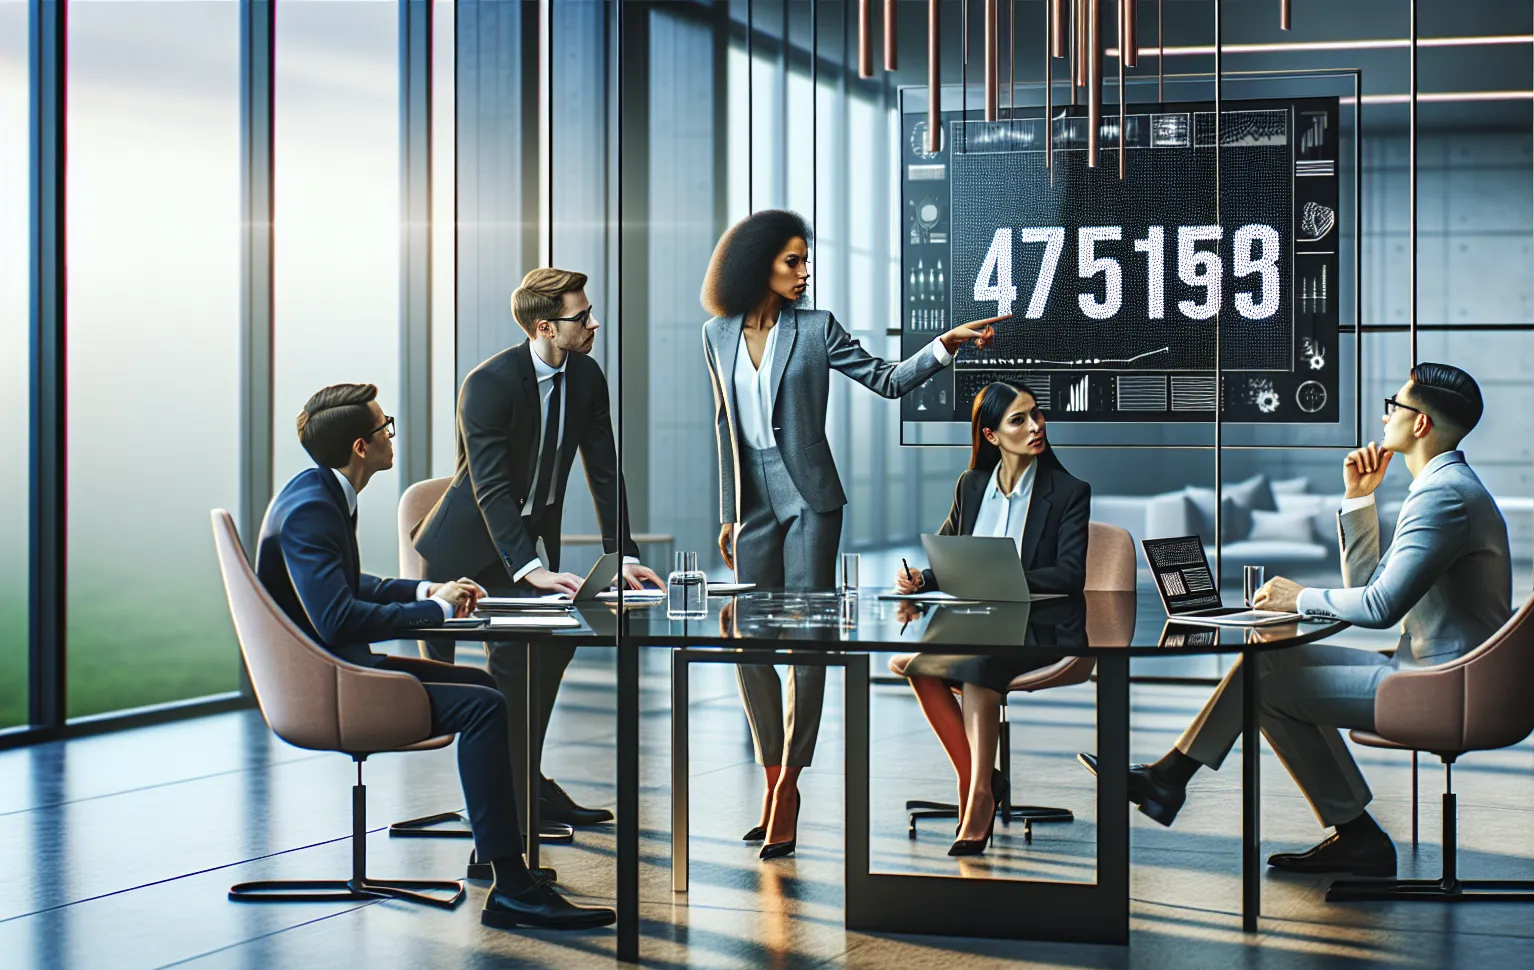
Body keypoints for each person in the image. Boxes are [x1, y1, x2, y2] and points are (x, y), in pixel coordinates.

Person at [1081, 363, 1510, 876]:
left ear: (1420, 424)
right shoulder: (1444, 488)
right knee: (1266, 664)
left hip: (1446, 684)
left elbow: (1378, 608)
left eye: (1393, 406)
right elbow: (1367, 589)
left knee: (1266, 691)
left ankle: (1352, 834)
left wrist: (1298, 597)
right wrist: (1359, 497)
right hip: (1436, 669)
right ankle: (1170, 778)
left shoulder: (1442, 496)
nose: (1385, 416)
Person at [699, 209, 1011, 859]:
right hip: (753, 505)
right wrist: (729, 511)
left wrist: (944, 346)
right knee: (748, 643)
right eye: (792, 261)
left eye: (806, 260)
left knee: (806, 642)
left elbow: (887, 381)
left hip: (811, 502)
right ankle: (772, 775)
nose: (804, 272)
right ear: (756, 264)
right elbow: (724, 426)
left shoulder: (816, 330)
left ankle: (789, 787)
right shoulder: (716, 334)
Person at [257, 383, 614, 929]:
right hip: (329, 687)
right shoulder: (312, 509)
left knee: (484, 688)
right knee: (484, 708)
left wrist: (426, 591)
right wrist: (437, 612)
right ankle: (511, 885)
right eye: (384, 427)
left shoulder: (318, 493)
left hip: (338, 671)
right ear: (360, 447)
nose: (390, 435)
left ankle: (498, 857)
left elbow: (346, 583)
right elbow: (337, 618)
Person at [412, 267, 664, 837]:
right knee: (517, 658)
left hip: (522, 547)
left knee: (555, 645)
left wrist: (621, 555)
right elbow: (492, 488)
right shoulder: (488, 384)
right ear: (545, 326)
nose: (594, 323)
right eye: (582, 316)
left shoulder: (587, 375)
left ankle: (526, 782)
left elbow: (605, 470)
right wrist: (530, 570)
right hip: (467, 554)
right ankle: (504, 825)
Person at [893, 381, 1090, 856]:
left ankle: (980, 796)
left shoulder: (1068, 492)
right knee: (919, 667)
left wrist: (1003, 575)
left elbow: (1070, 574)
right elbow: (949, 555)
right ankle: (978, 778)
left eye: (1036, 414)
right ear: (991, 435)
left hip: (1039, 628)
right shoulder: (972, 485)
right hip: (973, 624)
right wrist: (921, 578)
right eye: (1019, 420)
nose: (1035, 426)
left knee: (979, 665)